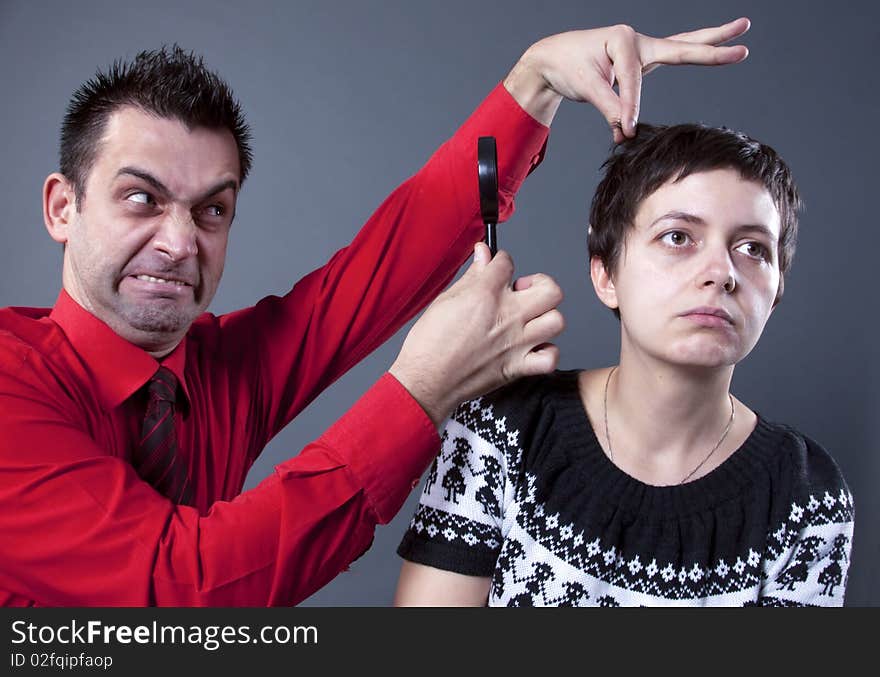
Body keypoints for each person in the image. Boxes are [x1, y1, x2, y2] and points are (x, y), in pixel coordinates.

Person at [0, 18, 750, 607]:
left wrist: (536, 80)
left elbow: (376, 270)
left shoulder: (213, 370)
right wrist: (423, 388)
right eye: (142, 197)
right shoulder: (10, 386)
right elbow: (180, 590)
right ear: (63, 207)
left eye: (211, 209)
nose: (178, 241)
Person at [395, 85, 854, 609]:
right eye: (678, 236)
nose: (722, 273)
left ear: (775, 295)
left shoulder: (807, 494)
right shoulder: (500, 433)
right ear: (606, 274)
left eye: (753, 249)